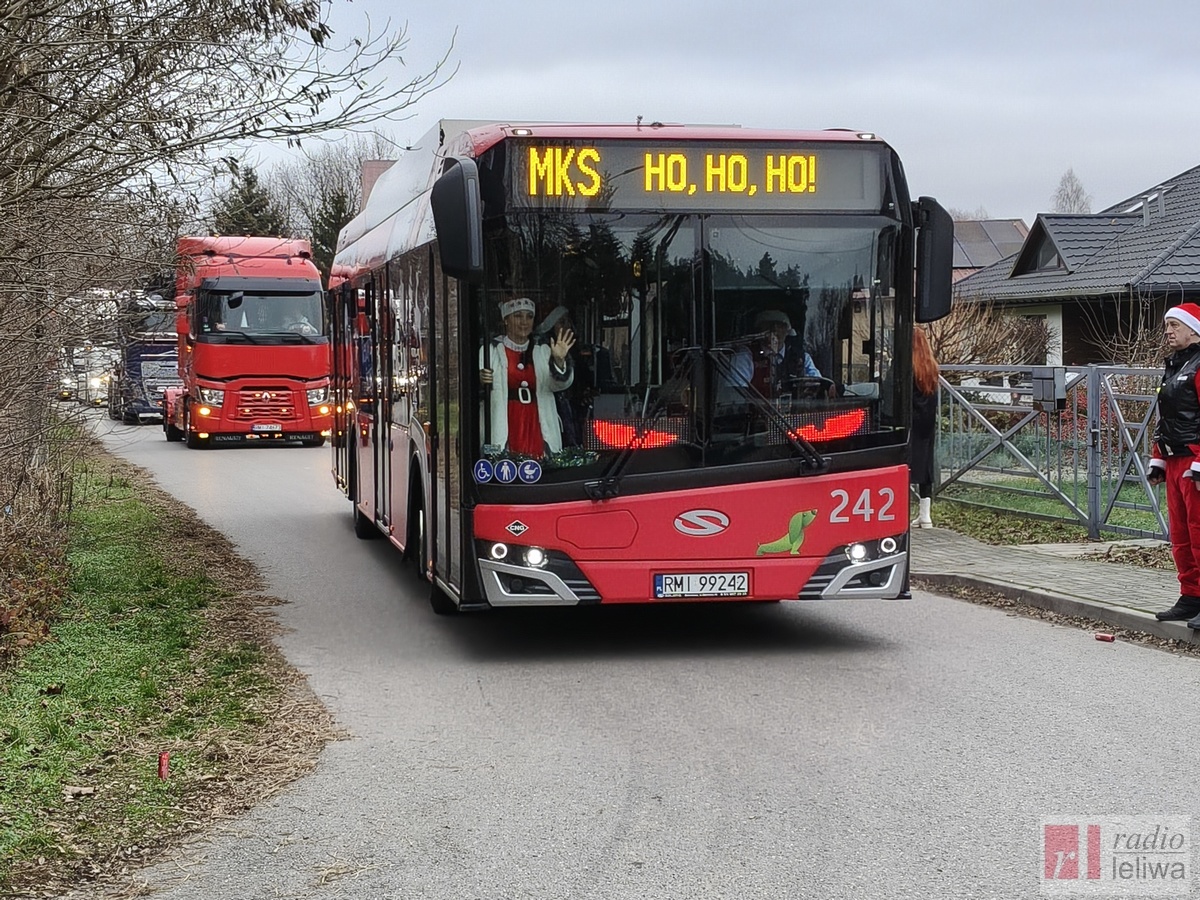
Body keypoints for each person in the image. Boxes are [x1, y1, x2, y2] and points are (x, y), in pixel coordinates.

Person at [1147, 303, 1200, 625]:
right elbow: (1166, 418)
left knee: (1199, 531)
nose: (1168, 331)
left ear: (1193, 329)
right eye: (1167, 325)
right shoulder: (1174, 366)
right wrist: (1158, 458)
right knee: (1181, 535)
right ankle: (1191, 596)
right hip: (1175, 458)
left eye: (1174, 325)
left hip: (1195, 460)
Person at [480, 297, 575, 457]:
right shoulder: (490, 351)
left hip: (536, 422)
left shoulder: (543, 350)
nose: (524, 322)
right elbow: (474, 391)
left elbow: (558, 385)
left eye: (529, 317)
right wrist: (481, 380)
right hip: (506, 421)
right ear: (506, 320)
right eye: (518, 316)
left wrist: (559, 361)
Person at [910, 325, 939, 529]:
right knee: (926, 467)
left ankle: (901, 511)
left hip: (910, 423)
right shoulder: (932, 366)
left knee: (905, 466)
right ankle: (925, 515)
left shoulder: (906, 366)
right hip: (927, 424)